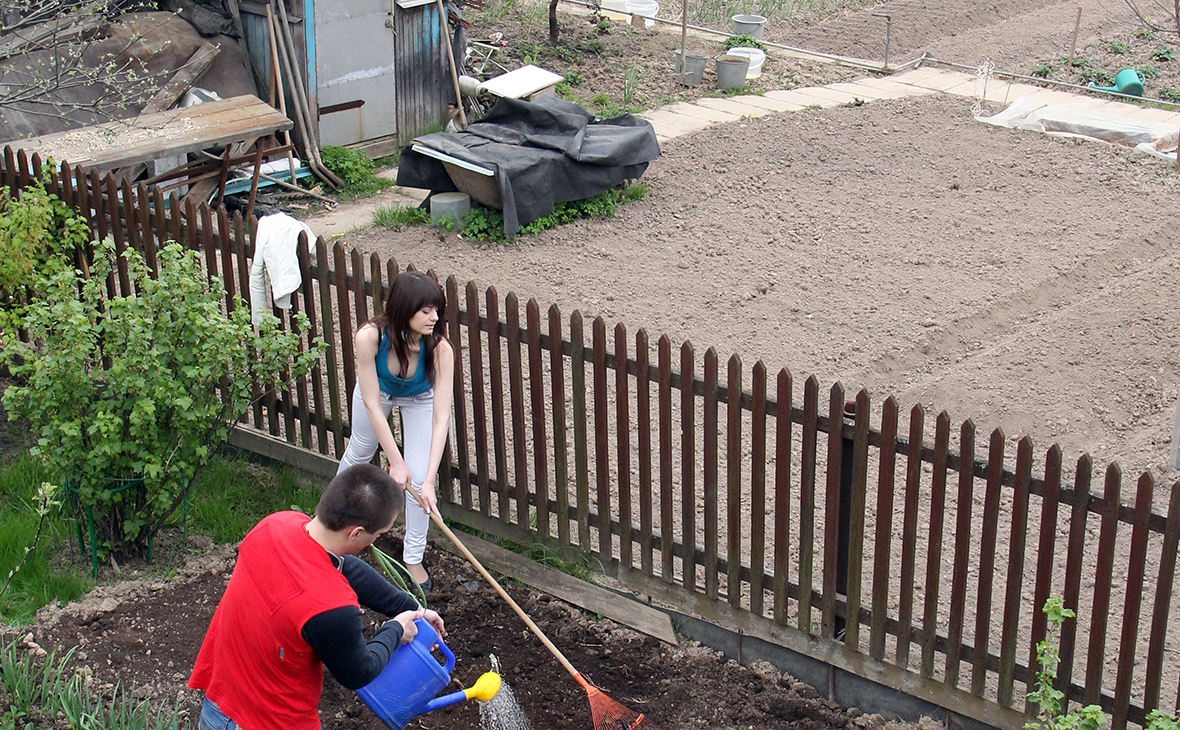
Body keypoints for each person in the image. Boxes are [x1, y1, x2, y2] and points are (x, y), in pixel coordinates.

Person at [189, 463, 446, 730]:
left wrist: (413, 609)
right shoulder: (331, 606)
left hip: (218, 706)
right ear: (356, 533)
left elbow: (345, 566)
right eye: (378, 535)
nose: (377, 540)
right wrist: (395, 629)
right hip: (271, 722)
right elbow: (359, 672)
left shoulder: (275, 525)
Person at [336, 270, 454, 592]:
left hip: (420, 398)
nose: (434, 317)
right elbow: (373, 405)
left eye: (436, 309)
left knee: (417, 476)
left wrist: (427, 481)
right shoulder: (370, 337)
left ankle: (412, 557)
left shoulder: (441, 349)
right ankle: (329, 526)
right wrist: (394, 462)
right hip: (378, 394)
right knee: (360, 452)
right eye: (425, 310)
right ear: (404, 309)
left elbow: (441, 417)